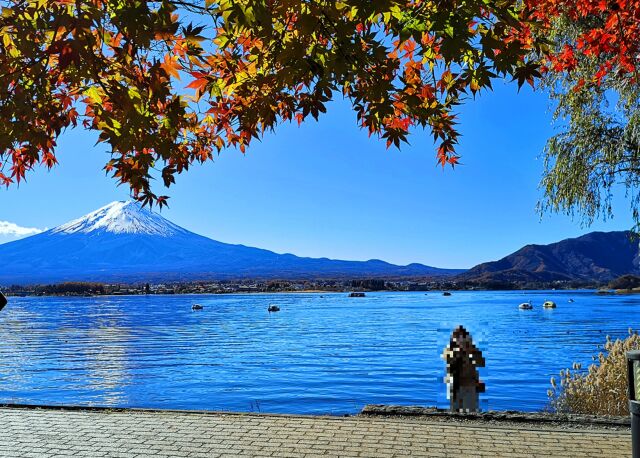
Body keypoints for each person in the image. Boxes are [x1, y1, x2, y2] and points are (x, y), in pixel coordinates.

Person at [443, 325, 485, 412]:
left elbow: (481, 364)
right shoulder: (449, 349)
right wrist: (459, 351)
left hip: (469, 384)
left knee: (471, 410)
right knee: (455, 409)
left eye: (463, 336)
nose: (460, 339)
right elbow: (449, 362)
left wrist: (471, 350)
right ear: (453, 338)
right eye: (457, 336)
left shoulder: (473, 349)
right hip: (453, 384)